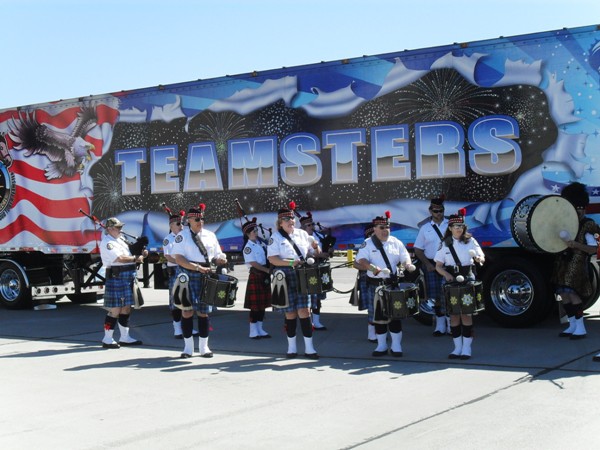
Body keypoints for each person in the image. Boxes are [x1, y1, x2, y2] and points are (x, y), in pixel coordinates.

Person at [171, 203, 228, 358]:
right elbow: (179, 259)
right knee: (187, 311)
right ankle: (188, 348)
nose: (200, 222)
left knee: (204, 312)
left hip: (205, 275)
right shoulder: (182, 236)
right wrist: (197, 267)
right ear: (189, 220)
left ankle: (204, 347)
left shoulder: (210, 235)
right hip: (188, 274)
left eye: (202, 219)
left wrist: (220, 260)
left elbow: (216, 255)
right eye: (196, 220)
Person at [355, 211, 414, 357]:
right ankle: (381, 346)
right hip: (375, 285)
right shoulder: (368, 243)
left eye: (387, 227)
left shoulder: (396, 242)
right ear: (375, 229)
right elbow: (360, 260)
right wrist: (372, 268)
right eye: (381, 228)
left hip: (392, 284)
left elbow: (405, 256)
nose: (385, 230)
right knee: (379, 317)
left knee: (395, 315)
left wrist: (407, 265)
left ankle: (396, 346)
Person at [267, 201, 320, 359]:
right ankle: (291, 348)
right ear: (280, 223)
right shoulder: (275, 237)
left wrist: (315, 246)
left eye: (292, 219)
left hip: (302, 274)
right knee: (290, 313)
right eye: (287, 219)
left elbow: (315, 253)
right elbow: (272, 259)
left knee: (305, 311)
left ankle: (310, 348)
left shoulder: (303, 234)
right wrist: (290, 263)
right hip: (285, 276)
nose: (291, 221)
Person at [550, 182, 600, 347]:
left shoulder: (588, 225)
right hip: (562, 261)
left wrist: (576, 245)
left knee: (573, 294)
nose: (579, 212)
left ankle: (580, 327)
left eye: (580, 208)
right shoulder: (565, 223)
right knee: (563, 294)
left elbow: (594, 248)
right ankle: (572, 325)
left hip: (577, 264)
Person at [435, 209, 485, 360]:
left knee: (466, 314)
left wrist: (478, 259)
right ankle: (457, 348)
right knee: (454, 315)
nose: (458, 228)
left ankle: (466, 348)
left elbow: (481, 257)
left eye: (461, 226)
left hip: (467, 279)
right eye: (456, 226)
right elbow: (438, 266)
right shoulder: (444, 243)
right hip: (451, 281)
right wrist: (446, 275)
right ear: (450, 228)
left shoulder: (470, 241)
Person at [100, 217, 147, 349]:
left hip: (128, 275)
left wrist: (142, 252)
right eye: (118, 227)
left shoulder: (121, 240)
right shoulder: (107, 243)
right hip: (117, 276)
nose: (121, 229)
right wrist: (136, 258)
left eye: (121, 227)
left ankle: (125, 337)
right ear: (110, 229)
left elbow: (130, 252)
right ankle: (107, 338)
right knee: (115, 309)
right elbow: (119, 258)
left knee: (126, 307)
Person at [414, 197, 449, 336]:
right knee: (437, 297)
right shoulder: (425, 228)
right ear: (430, 211)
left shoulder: (451, 225)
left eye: (441, 210)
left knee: (450, 294)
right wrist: (427, 264)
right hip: (432, 264)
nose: (439, 213)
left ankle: (451, 325)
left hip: (448, 265)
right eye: (436, 211)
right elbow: (418, 249)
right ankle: (440, 326)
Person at [242, 217, 272, 339]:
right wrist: (267, 270)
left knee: (262, 305)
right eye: (254, 231)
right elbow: (253, 263)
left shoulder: (260, 243)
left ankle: (260, 329)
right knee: (255, 306)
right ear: (248, 234)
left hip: (264, 275)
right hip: (256, 274)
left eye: (256, 230)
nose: (256, 232)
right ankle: (253, 330)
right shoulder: (248, 247)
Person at [162, 207, 189, 339]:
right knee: (176, 301)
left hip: (186, 270)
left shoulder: (186, 237)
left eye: (182, 223)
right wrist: (181, 263)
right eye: (178, 223)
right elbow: (168, 256)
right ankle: (177, 329)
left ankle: (187, 327)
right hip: (175, 271)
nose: (181, 226)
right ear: (171, 226)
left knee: (186, 300)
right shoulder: (168, 239)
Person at [300, 212, 330, 331]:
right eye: (309, 225)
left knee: (317, 295)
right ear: (303, 227)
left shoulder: (318, 236)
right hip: (307, 269)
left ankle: (316, 321)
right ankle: (308, 321)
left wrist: (328, 251)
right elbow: (305, 253)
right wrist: (320, 254)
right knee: (309, 296)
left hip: (319, 267)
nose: (312, 227)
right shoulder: (300, 238)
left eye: (312, 224)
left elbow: (321, 249)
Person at [352, 224, 376, 342]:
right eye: (371, 234)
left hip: (382, 278)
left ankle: (380, 331)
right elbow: (355, 264)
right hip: (366, 279)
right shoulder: (365, 245)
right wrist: (369, 268)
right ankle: (371, 333)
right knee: (371, 307)